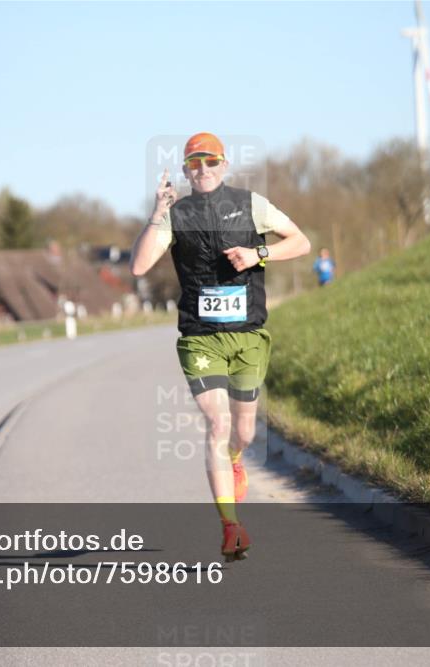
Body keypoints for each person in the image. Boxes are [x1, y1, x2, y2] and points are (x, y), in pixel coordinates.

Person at [130, 132, 310, 561]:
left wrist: (258, 254)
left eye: (210, 162)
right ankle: (230, 525)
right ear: (185, 170)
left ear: (224, 164)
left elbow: (299, 241)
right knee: (217, 424)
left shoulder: (252, 204)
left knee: (243, 432)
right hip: (200, 337)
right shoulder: (176, 214)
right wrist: (157, 213)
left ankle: (234, 461)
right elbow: (139, 265)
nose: (203, 170)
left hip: (248, 335)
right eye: (194, 164)